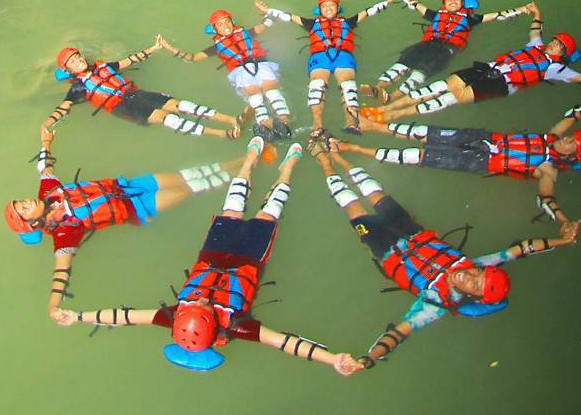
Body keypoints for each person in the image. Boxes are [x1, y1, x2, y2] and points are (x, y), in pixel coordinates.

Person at [51, 136, 362, 375]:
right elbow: (285, 343)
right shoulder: (238, 325)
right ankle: (287, 169)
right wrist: (332, 358)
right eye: (202, 308)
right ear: (213, 327)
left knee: (232, 206)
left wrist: (79, 316)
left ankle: (249, 162)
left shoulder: (173, 316)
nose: (199, 301)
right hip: (249, 261)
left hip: (212, 255)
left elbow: (127, 317)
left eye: (194, 305)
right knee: (270, 212)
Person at [308, 140, 580, 365]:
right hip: (412, 232)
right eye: (476, 273)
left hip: (387, 252)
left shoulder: (435, 304)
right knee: (377, 194)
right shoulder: (474, 264)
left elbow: (400, 333)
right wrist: (563, 241)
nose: (468, 276)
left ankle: (324, 161)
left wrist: (369, 358)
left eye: (474, 285)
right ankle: (342, 159)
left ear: (471, 297)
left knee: (353, 208)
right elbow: (520, 250)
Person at [4, 126, 234, 322]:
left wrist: (46, 139)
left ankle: (236, 163)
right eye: (24, 208)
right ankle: (240, 173)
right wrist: (53, 306)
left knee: (183, 177)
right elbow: (61, 271)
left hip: (129, 185)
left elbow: (45, 167)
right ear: (33, 223)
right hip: (139, 208)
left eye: (21, 201)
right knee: (189, 189)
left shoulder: (47, 192)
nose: (27, 201)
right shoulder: (65, 232)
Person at [336, 88, 581, 225]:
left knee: (420, 155)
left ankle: (356, 149)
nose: (567, 139)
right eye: (572, 137)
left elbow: (546, 198)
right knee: (427, 134)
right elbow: (572, 115)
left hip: (480, 161)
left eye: (572, 143)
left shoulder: (548, 169)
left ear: (573, 156)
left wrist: (564, 220)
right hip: (484, 138)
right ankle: (372, 126)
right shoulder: (552, 137)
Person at [361, 1, 581, 120]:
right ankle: (383, 110)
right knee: (439, 86)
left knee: (450, 98)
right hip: (489, 69)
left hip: (503, 84)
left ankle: (392, 115)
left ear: (564, 53)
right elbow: (536, 29)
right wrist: (536, 11)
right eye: (556, 40)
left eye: (560, 45)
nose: (554, 44)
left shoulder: (557, 68)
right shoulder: (537, 45)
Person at [255, 0, 397, 133]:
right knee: (317, 86)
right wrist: (269, 11)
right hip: (320, 57)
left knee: (348, 86)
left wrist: (388, 1)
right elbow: (289, 17)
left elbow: (368, 12)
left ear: (337, 8)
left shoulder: (348, 22)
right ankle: (317, 125)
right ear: (319, 9)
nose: (328, 8)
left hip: (343, 56)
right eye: (324, 6)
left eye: (332, 5)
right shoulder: (311, 23)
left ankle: (351, 122)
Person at [42, 44, 241, 140]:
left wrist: (155, 47)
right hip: (123, 107)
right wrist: (47, 124)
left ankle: (232, 119)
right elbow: (64, 107)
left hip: (136, 93)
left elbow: (130, 60)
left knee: (179, 105)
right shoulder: (79, 88)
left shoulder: (104, 67)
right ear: (68, 71)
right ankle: (221, 134)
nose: (79, 61)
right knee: (167, 118)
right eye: (73, 62)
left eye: (78, 57)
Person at [362, 0, 527, 99]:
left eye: (457, 0)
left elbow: (497, 15)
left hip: (446, 49)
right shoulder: (436, 15)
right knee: (404, 61)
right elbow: (416, 4)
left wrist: (522, 9)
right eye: (449, 0)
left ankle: (391, 97)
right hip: (427, 44)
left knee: (420, 72)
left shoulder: (470, 18)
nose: (453, 1)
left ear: (463, 4)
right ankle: (378, 88)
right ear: (443, 3)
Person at [158, 11, 294, 138]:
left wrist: (267, 12)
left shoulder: (246, 33)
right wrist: (172, 49)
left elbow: (266, 24)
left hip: (262, 64)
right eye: (220, 24)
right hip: (240, 71)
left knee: (271, 91)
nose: (226, 26)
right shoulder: (216, 47)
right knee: (255, 96)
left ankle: (284, 120)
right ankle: (266, 122)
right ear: (215, 29)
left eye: (227, 21)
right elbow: (193, 57)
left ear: (232, 22)